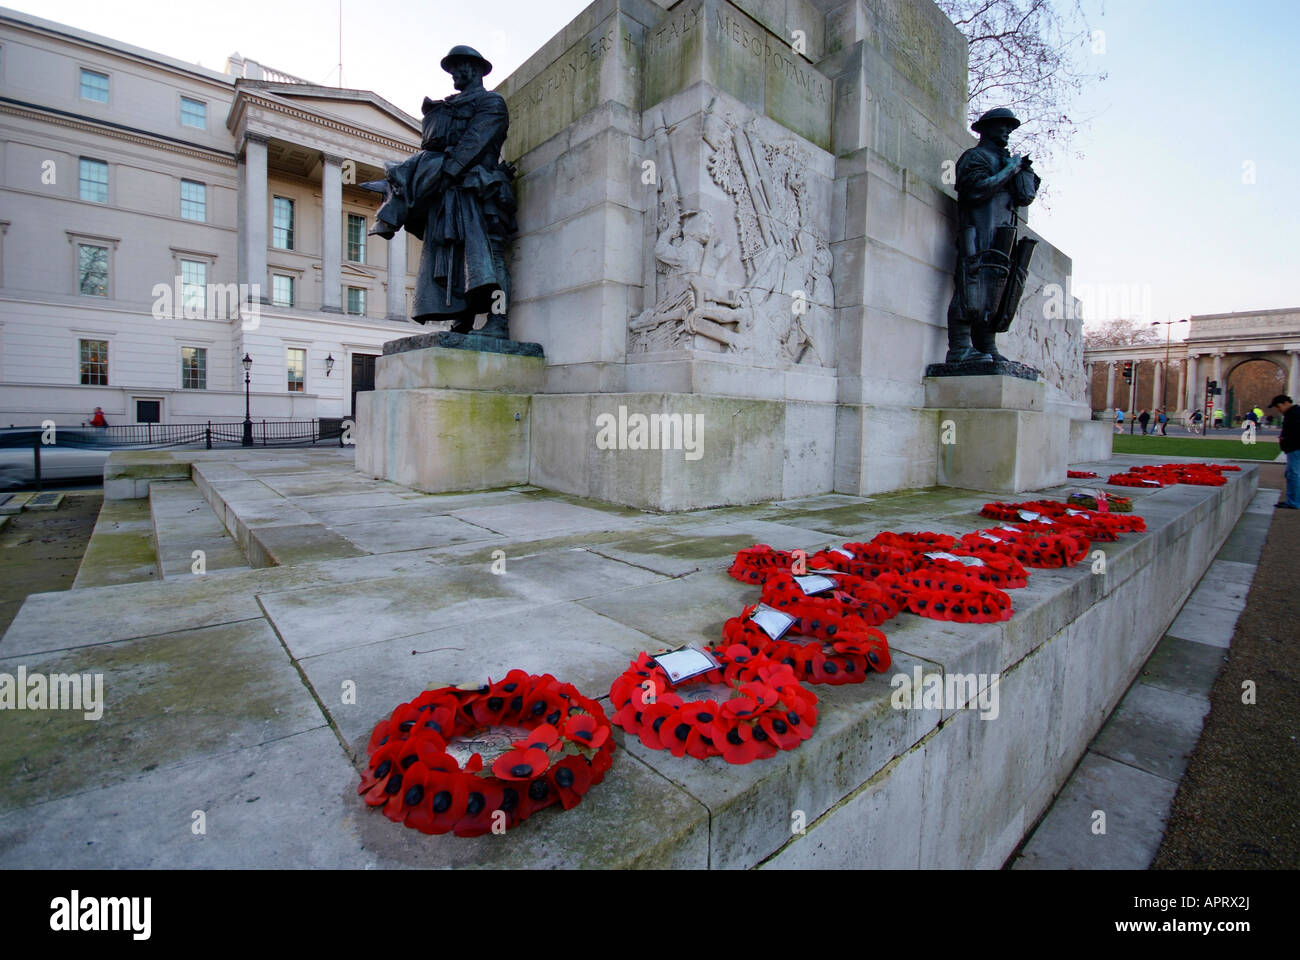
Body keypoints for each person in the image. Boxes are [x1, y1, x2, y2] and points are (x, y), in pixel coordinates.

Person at [365, 45, 517, 338]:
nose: (453, 76)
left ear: (472, 69)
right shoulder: (447, 106)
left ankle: (499, 322)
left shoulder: (491, 103)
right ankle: (463, 319)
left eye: (457, 68)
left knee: (490, 257)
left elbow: (474, 144)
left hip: (480, 190)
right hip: (451, 194)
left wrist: (441, 174)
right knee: (458, 258)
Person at [943, 107, 1041, 363]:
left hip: (1002, 234)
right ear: (985, 129)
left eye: (1010, 128)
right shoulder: (974, 157)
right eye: (1002, 126)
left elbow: (1024, 198)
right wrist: (1009, 170)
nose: (1007, 132)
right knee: (970, 287)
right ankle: (959, 348)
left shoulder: (1007, 163)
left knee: (997, 288)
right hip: (977, 232)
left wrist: (1025, 173)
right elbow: (975, 192)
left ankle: (987, 345)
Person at [1272, 394, 1299, 509]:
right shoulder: (1292, 413)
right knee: (1291, 474)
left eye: (1278, 407)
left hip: (1295, 448)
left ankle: (1294, 502)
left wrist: (1285, 440)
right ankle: (1291, 500)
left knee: (1294, 474)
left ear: (1286, 403)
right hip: (1292, 448)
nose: (1278, 410)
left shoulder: (1295, 413)